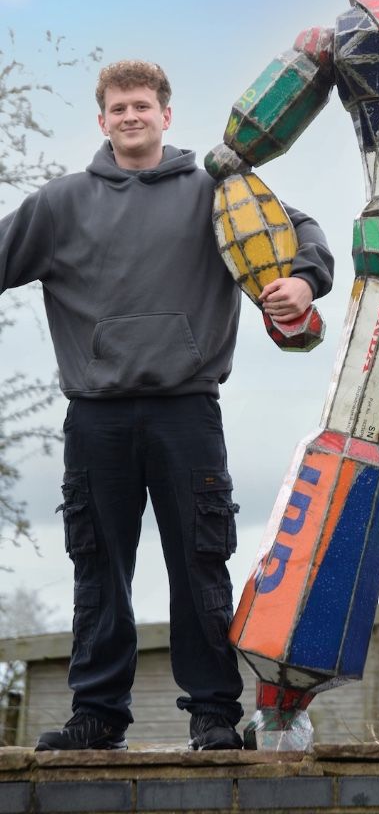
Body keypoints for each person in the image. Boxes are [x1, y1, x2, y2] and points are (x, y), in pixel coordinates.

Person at [0, 60, 333, 751]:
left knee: (199, 562)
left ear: (165, 115)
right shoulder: (60, 204)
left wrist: (302, 283)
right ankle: (97, 714)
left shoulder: (217, 190)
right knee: (97, 565)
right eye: (118, 107)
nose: (130, 116)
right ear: (102, 121)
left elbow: (302, 236)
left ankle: (213, 714)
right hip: (96, 413)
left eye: (142, 105)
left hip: (187, 409)